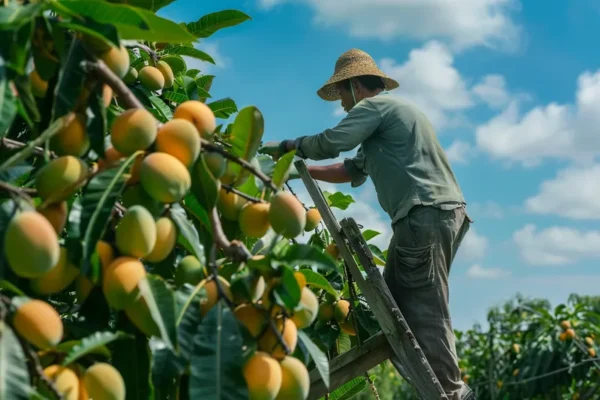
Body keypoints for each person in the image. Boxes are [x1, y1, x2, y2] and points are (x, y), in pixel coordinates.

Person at [258, 48, 475, 400]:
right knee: (396, 309)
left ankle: (451, 394)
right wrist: (295, 170)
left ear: (356, 86)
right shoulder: (391, 117)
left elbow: (331, 143)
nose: (342, 104)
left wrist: (286, 147)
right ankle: (435, 389)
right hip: (436, 214)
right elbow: (350, 169)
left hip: (423, 214)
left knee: (422, 308)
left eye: (342, 94)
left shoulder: (375, 108)